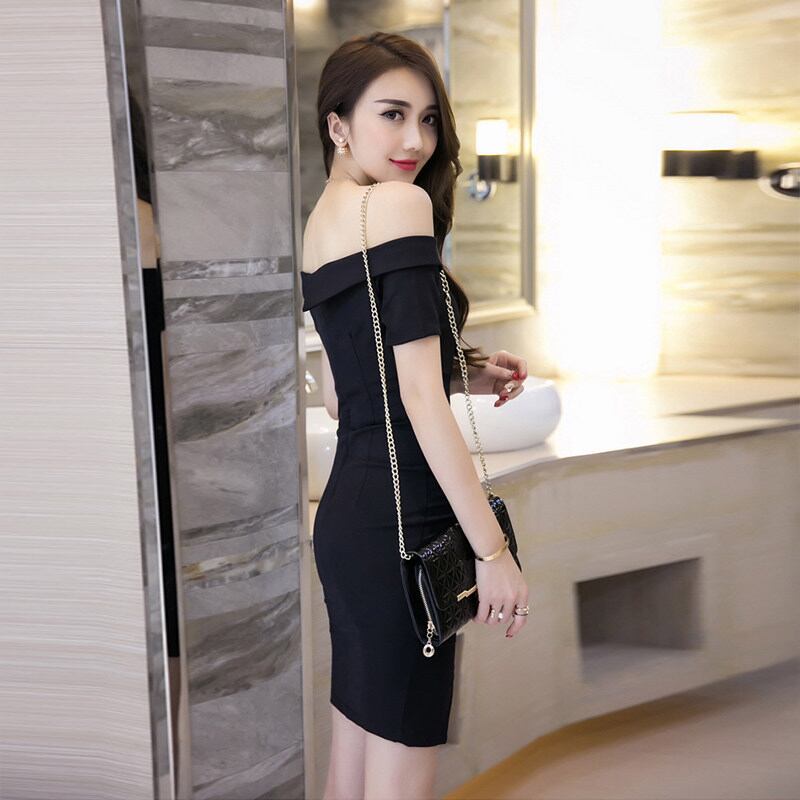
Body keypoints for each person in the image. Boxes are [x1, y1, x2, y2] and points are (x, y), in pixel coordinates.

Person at [301, 31, 530, 800]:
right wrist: (493, 551)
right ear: (338, 124)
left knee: (357, 749)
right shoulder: (398, 205)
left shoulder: (321, 222)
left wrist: (465, 370)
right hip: (404, 519)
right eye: (392, 114)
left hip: (352, 518)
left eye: (429, 119)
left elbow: (345, 394)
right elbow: (416, 399)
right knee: (402, 757)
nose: (416, 140)